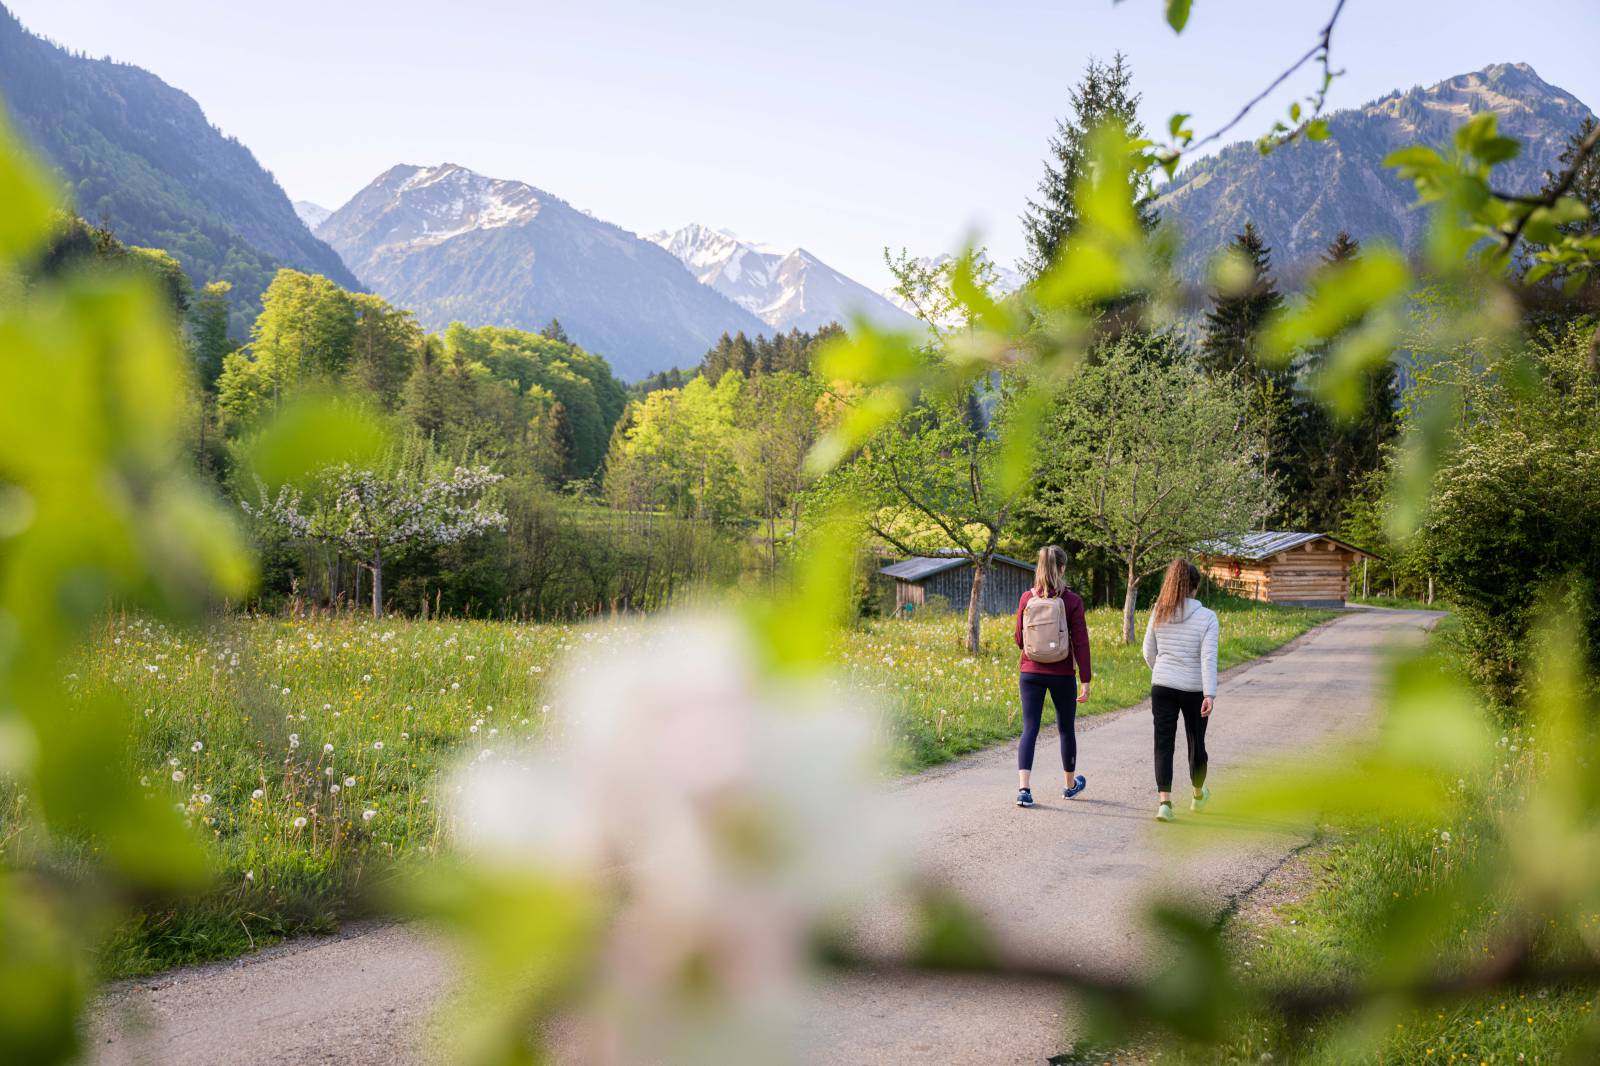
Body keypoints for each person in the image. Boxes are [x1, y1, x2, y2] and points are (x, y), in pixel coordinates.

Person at [1012, 545, 1092, 808]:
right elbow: (1080, 643)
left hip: (1030, 672)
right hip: (1062, 673)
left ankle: (1024, 789)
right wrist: (1086, 679)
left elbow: (1019, 639)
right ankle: (1069, 786)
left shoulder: (1027, 598)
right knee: (1065, 729)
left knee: (1030, 728)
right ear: (1062, 568)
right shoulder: (1072, 601)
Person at [1140, 559, 1219, 822]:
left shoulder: (1159, 611)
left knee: (1163, 743)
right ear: (1195, 587)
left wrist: (1160, 671)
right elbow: (1208, 659)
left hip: (1162, 684)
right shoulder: (1208, 617)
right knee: (1196, 741)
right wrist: (1209, 693)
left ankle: (1165, 804)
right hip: (1194, 688)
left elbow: (1147, 651)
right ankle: (1198, 795)